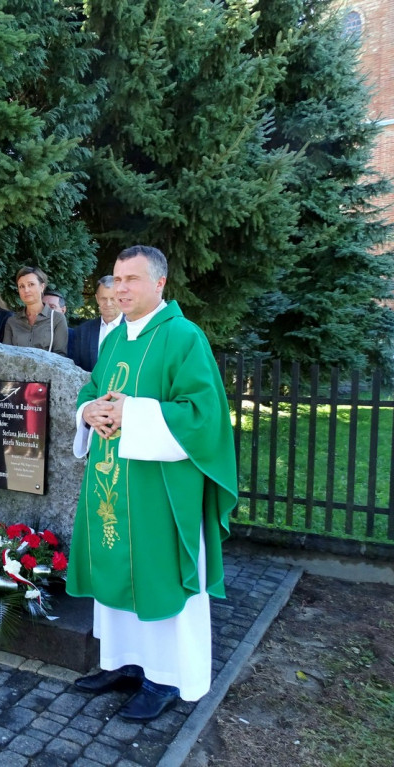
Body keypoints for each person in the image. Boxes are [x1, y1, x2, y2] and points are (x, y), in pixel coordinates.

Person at [67, 245, 238, 721]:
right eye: (117, 279)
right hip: (111, 482)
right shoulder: (115, 339)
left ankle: (165, 676)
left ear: (159, 284)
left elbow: (203, 417)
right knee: (116, 568)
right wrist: (89, 410)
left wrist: (133, 414)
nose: (121, 288)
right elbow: (92, 386)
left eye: (132, 280)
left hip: (160, 488)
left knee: (157, 574)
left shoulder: (183, 337)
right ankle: (121, 662)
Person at [3, 266, 68, 355]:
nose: (26, 290)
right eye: (21, 286)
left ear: (42, 287)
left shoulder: (57, 319)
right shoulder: (12, 322)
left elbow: (61, 355)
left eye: (31, 284)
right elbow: (6, 354)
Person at [68, 276, 122, 373]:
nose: (108, 303)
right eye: (104, 298)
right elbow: (76, 369)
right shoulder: (82, 331)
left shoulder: (135, 328)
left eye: (113, 299)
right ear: (97, 299)